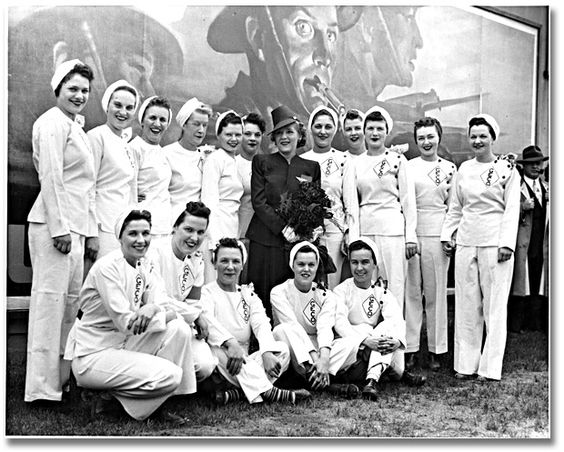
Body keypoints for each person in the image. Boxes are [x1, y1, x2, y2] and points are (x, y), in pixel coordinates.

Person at [63, 209, 195, 423]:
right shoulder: (107, 267)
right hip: (94, 352)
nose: (141, 240)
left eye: (146, 233)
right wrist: (161, 312)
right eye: (133, 234)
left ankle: (120, 401)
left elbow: (158, 301)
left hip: (123, 344)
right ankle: (112, 402)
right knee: (171, 375)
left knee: (179, 329)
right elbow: (126, 323)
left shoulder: (144, 263)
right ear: (120, 236)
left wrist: (152, 309)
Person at [24, 60, 97, 404]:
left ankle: (61, 381)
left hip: (76, 229)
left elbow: (85, 186)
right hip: (55, 229)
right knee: (49, 306)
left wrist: (86, 231)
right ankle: (40, 389)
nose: (79, 95)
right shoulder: (51, 123)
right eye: (73, 89)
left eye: (84, 90)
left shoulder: (75, 126)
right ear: (58, 89)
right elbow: (50, 178)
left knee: (69, 308)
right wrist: (60, 229)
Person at [440, 114, 520, 381]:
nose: (477, 140)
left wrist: (506, 243)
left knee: (494, 307)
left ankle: (489, 368)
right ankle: (466, 365)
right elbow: (456, 207)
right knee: (466, 303)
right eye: (473, 136)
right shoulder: (464, 168)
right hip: (466, 240)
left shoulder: (507, 169)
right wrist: (446, 235)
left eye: (483, 136)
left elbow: (511, 210)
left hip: (495, 243)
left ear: (492, 138)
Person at [207, 6, 361, 136]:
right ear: (258, 38)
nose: (326, 57)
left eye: (330, 35)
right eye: (303, 27)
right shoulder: (229, 132)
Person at [200, 238, 312, 405]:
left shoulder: (248, 294)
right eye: (224, 261)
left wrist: (266, 351)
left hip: (243, 364)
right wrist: (230, 344)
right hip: (222, 360)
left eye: (236, 261)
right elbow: (208, 323)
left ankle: (237, 393)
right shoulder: (206, 293)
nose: (230, 267)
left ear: (242, 265)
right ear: (215, 263)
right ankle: (270, 392)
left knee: (281, 350)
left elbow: (262, 324)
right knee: (216, 352)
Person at [246, 105, 321, 319]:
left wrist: (313, 227)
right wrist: (283, 228)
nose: (284, 137)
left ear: (299, 135)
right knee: (262, 295)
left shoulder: (311, 167)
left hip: (295, 243)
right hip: (265, 239)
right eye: (279, 133)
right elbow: (259, 202)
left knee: (290, 297)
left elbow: (314, 204)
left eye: (289, 132)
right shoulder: (262, 162)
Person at [343, 105, 417, 309]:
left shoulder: (398, 160)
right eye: (370, 129)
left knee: (394, 288)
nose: (375, 133)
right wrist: (353, 240)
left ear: (387, 131)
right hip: (366, 232)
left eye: (379, 129)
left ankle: (395, 337)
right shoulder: (355, 163)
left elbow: (408, 201)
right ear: (364, 132)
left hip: (393, 232)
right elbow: (352, 205)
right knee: (367, 290)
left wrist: (410, 235)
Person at [333, 238, 426, 401]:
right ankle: (391, 374)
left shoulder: (381, 292)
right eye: (354, 262)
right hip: (351, 348)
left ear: (374, 264)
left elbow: (396, 319)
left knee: (386, 328)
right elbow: (340, 323)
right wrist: (365, 341)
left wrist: (397, 341)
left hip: (375, 345)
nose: (359, 268)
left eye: (365, 262)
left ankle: (372, 381)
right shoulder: (341, 291)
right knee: (370, 332)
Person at [271, 241, 360, 396]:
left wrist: (324, 358)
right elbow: (293, 325)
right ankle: (325, 382)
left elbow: (324, 327)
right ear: (293, 265)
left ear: (317, 266)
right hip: (293, 346)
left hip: (317, 344)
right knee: (282, 329)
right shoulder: (279, 292)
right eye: (301, 264)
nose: (306, 269)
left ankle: (310, 379)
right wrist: (315, 358)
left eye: (311, 265)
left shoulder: (326, 295)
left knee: (351, 342)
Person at [404, 117, 457, 371]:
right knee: (412, 293)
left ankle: (436, 350)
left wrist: (449, 236)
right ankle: (410, 349)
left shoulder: (449, 168)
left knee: (436, 294)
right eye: (421, 138)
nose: (426, 142)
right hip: (413, 233)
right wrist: (409, 235)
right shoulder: (407, 166)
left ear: (439, 137)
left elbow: (453, 207)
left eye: (431, 137)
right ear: (416, 141)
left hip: (438, 233)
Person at [148, 201, 217, 385]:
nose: (194, 238)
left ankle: (173, 385)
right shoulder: (155, 252)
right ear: (175, 227)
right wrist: (195, 316)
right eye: (188, 230)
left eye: (200, 232)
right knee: (176, 329)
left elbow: (194, 302)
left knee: (205, 365)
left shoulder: (196, 260)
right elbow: (158, 300)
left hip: (182, 322)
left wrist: (196, 316)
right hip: (152, 324)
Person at [88, 80, 140, 257]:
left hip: (121, 227)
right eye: (117, 105)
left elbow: (130, 189)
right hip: (102, 226)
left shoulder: (126, 144)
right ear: (107, 106)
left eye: (129, 107)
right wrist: (91, 233)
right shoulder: (96, 137)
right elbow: (88, 186)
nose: (123, 112)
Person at [301, 106, 348, 288]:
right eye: (318, 126)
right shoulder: (302, 160)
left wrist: (348, 233)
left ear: (335, 130)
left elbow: (349, 200)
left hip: (336, 230)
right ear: (311, 128)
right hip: (308, 231)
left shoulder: (343, 159)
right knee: (310, 282)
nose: (323, 131)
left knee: (333, 284)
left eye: (328, 127)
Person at [509, 145, 549, 334]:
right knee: (519, 283)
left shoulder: (546, 188)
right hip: (522, 244)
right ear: (523, 166)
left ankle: (535, 325)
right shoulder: (515, 188)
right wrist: (521, 207)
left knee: (537, 281)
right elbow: (505, 214)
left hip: (540, 244)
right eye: (531, 164)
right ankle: (516, 325)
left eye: (538, 163)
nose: (535, 167)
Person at [201, 111, 245, 281]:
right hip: (217, 228)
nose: (233, 139)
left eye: (238, 134)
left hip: (231, 226)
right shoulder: (215, 159)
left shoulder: (235, 160)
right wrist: (214, 241)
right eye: (228, 134)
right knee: (214, 282)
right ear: (219, 135)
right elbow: (209, 201)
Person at [129, 96, 173, 248]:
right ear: (142, 121)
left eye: (162, 119)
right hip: (144, 228)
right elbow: (128, 187)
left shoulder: (162, 152)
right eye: (152, 118)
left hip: (164, 227)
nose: (157, 124)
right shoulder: (134, 148)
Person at [164, 97, 213, 222]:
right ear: (184, 124)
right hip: (172, 223)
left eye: (205, 125)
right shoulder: (166, 154)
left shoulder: (205, 156)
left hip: (198, 225)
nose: (201, 130)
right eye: (196, 124)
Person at [237, 113, 265, 240]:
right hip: (238, 234)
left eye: (257, 135)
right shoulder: (232, 164)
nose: (252, 138)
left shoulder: (269, 165)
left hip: (262, 237)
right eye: (247, 134)